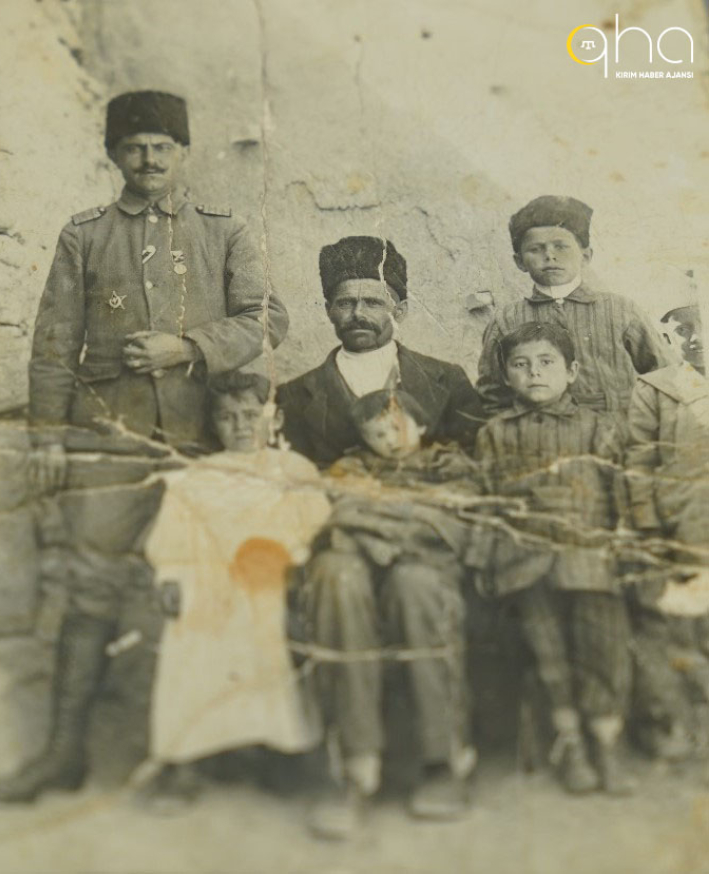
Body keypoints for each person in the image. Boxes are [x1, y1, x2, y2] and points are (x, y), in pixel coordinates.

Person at [0, 90, 289, 805]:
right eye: (134, 147)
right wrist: (49, 437)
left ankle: (190, 755)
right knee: (88, 593)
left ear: (184, 153)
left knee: (198, 593)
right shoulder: (84, 235)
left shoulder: (224, 230)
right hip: (108, 440)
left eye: (162, 146)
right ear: (113, 155)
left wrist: (188, 347)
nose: (149, 159)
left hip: (198, 445)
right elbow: (53, 343)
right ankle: (63, 754)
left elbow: (266, 318)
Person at [140, 372, 330, 811]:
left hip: (273, 576)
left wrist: (292, 561)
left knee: (265, 629)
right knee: (189, 627)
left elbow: (316, 526)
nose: (241, 426)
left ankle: (279, 747)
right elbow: (174, 533)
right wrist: (170, 575)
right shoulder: (198, 475)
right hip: (209, 579)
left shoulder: (294, 470)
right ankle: (184, 756)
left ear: (274, 418)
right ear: (214, 424)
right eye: (227, 417)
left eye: (250, 415)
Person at [302, 388, 483, 840]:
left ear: (421, 425)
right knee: (335, 575)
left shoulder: (448, 465)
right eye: (377, 433)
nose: (390, 440)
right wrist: (392, 525)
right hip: (362, 566)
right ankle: (356, 767)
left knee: (414, 583)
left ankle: (442, 760)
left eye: (398, 428)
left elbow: (450, 518)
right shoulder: (351, 468)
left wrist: (381, 528)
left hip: (423, 568)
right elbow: (339, 514)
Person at [476, 322, 634, 796]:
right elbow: (485, 501)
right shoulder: (496, 433)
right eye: (520, 365)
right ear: (506, 376)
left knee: (602, 648)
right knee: (548, 654)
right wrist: (484, 560)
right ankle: (571, 743)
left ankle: (606, 742)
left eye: (547, 363)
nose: (534, 374)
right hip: (523, 560)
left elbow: (622, 496)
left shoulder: (598, 427)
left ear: (572, 371)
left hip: (590, 559)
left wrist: (624, 551)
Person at [277, 236, 484, 467]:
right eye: (345, 303)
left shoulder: (449, 380)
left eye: (373, 303)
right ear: (329, 311)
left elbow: (477, 461)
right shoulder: (293, 396)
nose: (358, 314)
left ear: (400, 312)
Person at [476, 195, 673, 417]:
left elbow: (668, 376)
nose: (550, 256)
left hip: (620, 431)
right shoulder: (506, 320)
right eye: (536, 249)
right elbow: (492, 397)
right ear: (519, 261)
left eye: (561, 246)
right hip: (539, 434)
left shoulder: (620, 310)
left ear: (585, 256)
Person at [625, 302, 709, 759]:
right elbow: (639, 460)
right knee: (679, 626)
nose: (697, 339)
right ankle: (681, 720)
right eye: (684, 331)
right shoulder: (657, 389)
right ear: (668, 340)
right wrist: (647, 522)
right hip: (680, 524)